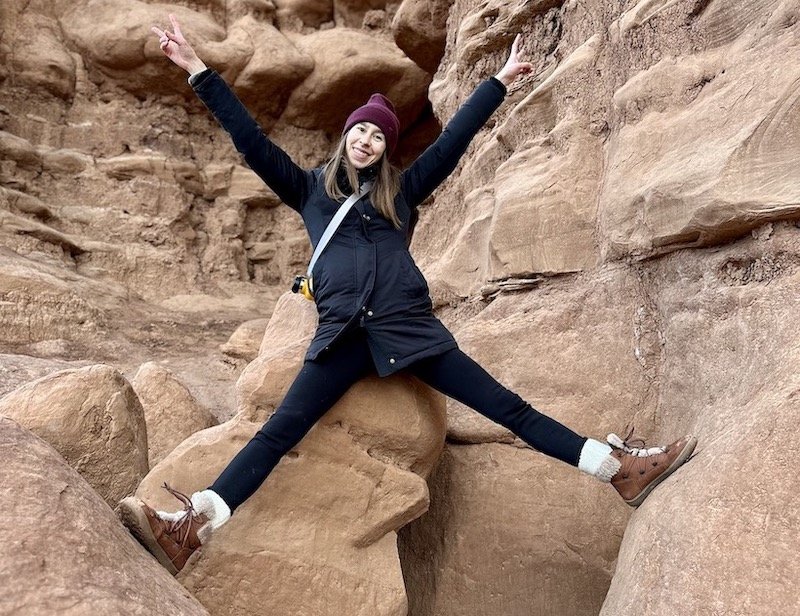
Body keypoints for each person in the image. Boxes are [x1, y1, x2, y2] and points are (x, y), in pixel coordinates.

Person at [119, 15, 697, 575]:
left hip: (408, 328)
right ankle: (190, 529)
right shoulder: (310, 193)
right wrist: (197, 68)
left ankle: (615, 468)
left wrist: (496, 84)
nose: (368, 140)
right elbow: (249, 139)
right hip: (341, 334)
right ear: (346, 136)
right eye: (360, 130)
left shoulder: (403, 193)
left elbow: (450, 145)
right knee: (278, 433)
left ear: (385, 147)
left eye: (378, 135)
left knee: (508, 409)